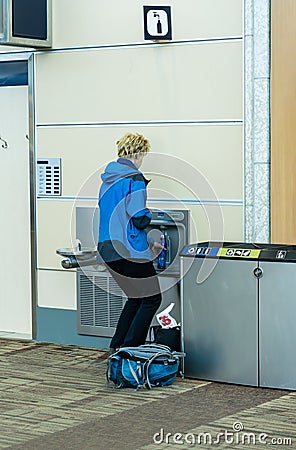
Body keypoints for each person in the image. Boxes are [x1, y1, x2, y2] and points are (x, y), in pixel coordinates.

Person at [97, 132, 163, 353]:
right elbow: (139, 217)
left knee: (136, 298)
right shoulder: (135, 178)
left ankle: (117, 348)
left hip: (108, 249)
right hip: (129, 251)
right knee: (152, 299)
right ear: (138, 153)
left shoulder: (107, 180)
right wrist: (149, 213)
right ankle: (131, 351)